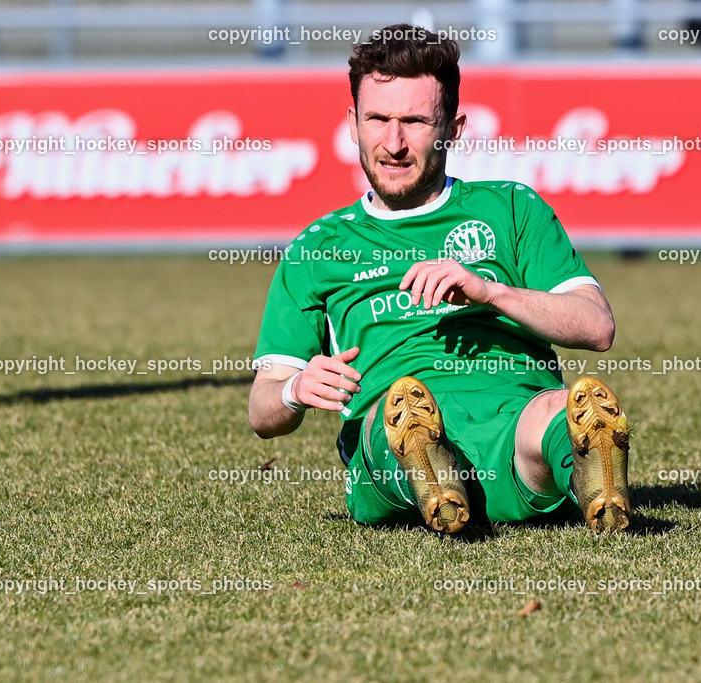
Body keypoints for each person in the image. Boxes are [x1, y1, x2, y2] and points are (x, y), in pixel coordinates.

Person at [248, 24, 631, 535]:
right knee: (397, 416)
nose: (394, 142)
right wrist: (296, 388)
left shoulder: (512, 209)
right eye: (378, 119)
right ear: (352, 123)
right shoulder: (318, 247)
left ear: (453, 125)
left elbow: (596, 327)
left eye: (415, 121)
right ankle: (428, 468)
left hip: (512, 412)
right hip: (390, 420)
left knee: (557, 411)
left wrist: (489, 291)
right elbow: (262, 408)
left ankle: (595, 482)